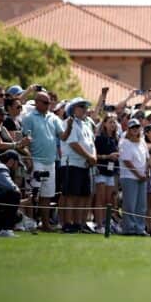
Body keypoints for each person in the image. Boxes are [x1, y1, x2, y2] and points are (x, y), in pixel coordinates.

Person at [20, 91, 61, 231]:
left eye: (49, 103)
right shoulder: (28, 118)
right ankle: (29, 223)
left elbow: (63, 135)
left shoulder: (53, 118)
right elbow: (24, 140)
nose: (48, 105)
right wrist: (28, 158)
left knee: (47, 194)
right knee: (33, 193)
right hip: (36, 160)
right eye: (45, 102)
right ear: (36, 102)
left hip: (50, 161)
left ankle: (45, 224)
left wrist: (72, 124)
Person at [62, 99, 96, 234]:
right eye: (81, 106)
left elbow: (92, 144)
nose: (85, 109)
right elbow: (73, 144)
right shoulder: (68, 124)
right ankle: (68, 223)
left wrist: (94, 158)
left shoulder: (85, 125)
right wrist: (89, 157)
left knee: (83, 195)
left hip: (85, 165)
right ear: (73, 109)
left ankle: (79, 223)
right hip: (72, 163)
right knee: (71, 195)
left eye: (85, 107)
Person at [118, 118, 150, 236]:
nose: (135, 129)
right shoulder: (124, 142)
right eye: (133, 128)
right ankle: (129, 228)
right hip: (129, 177)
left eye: (137, 127)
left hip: (142, 177)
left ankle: (140, 228)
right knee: (130, 204)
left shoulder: (142, 142)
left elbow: (146, 159)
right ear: (128, 129)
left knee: (141, 205)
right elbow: (127, 161)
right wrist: (139, 174)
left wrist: (145, 172)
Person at [93, 114, 120, 233]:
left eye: (114, 122)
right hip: (100, 171)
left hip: (111, 172)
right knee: (100, 199)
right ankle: (99, 225)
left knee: (108, 200)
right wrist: (108, 156)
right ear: (104, 124)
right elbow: (94, 156)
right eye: (110, 122)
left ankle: (105, 223)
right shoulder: (99, 138)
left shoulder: (115, 139)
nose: (113, 125)